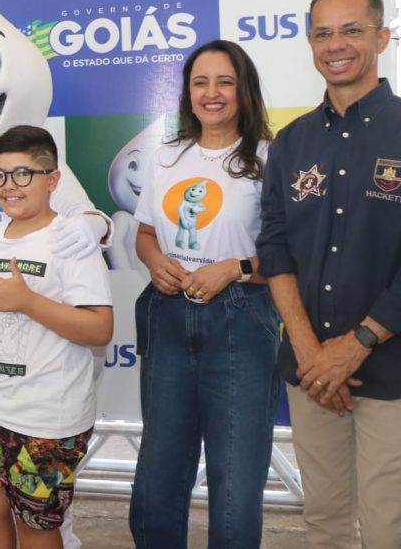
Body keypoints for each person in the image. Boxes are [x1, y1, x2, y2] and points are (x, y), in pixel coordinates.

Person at [257, 0, 401, 548]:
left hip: (391, 370)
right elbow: (274, 249)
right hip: (311, 370)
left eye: (351, 30)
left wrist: (356, 345)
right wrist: (310, 351)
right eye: (322, 33)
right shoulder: (290, 143)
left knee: (389, 527)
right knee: (324, 522)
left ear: (382, 38)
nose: (335, 44)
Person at [128, 40, 280, 548]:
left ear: (244, 90)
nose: (211, 93)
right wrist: (155, 262)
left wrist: (235, 269)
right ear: (187, 93)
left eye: (224, 82)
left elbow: (290, 255)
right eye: (200, 82)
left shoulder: (270, 158)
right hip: (168, 319)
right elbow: (144, 234)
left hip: (241, 321)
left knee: (236, 482)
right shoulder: (168, 156)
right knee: (158, 475)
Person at [0, 125, 113, 549]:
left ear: (52, 180)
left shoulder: (70, 240)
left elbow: (100, 329)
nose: (8, 186)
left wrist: (29, 302)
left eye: (23, 174)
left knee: (37, 528)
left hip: (48, 419)